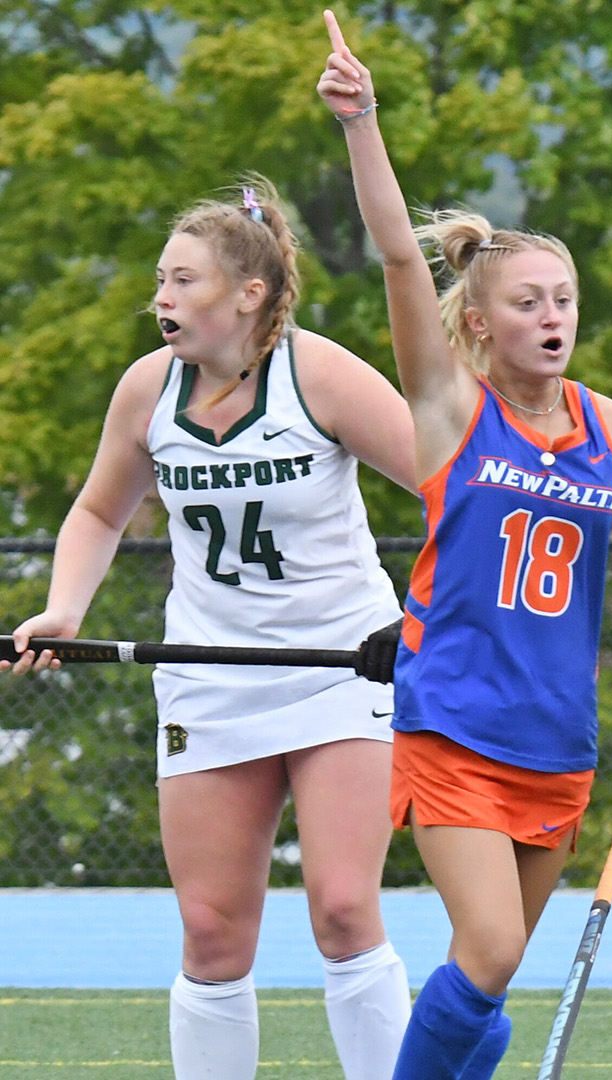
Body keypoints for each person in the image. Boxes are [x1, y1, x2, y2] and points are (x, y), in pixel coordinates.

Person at [317, 12, 612, 1078]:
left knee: (492, 978)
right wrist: (364, 124)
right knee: (485, 951)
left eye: (564, 300)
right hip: (453, 724)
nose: (552, 317)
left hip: (557, 738)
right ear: (479, 323)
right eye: (527, 303)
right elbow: (397, 250)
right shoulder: (450, 411)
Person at [7, 178, 417, 1079]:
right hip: (211, 677)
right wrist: (63, 608)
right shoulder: (147, 391)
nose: (162, 298)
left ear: (250, 294)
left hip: (340, 667)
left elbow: (448, 489)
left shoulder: (319, 375)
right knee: (211, 929)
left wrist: (419, 619)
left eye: (184, 281)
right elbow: (98, 513)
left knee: (345, 909)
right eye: (161, 280)